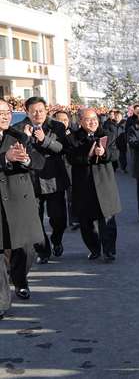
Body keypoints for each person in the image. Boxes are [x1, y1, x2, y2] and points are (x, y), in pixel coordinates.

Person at [0, 98, 45, 313]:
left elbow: (39, 162)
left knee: (26, 249)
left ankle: (19, 281)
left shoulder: (19, 135)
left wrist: (26, 160)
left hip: (20, 200)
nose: (5, 116)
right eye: (0, 112)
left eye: (7, 111)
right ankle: (1, 304)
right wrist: (5, 158)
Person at [13, 96, 70, 264]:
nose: (37, 114)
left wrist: (45, 140)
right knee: (35, 220)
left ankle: (57, 240)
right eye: (33, 111)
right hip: (31, 180)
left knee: (58, 218)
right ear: (27, 112)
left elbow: (62, 148)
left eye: (41, 110)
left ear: (46, 111)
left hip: (54, 178)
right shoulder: (18, 128)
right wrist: (26, 137)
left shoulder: (57, 126)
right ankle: (43, 250)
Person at [67, 108, 122, 261]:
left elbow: (116, 154)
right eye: (88, 119)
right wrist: (88, 154)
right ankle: (94, 248)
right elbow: (71, 158)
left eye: (94, 119)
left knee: (107, 219)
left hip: (104, 182)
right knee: (87, 222)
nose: (92, 122)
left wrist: (104, 153)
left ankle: (109, 251)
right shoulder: (72, 138)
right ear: (80, 122)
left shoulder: (107, 135)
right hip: (84, 184)